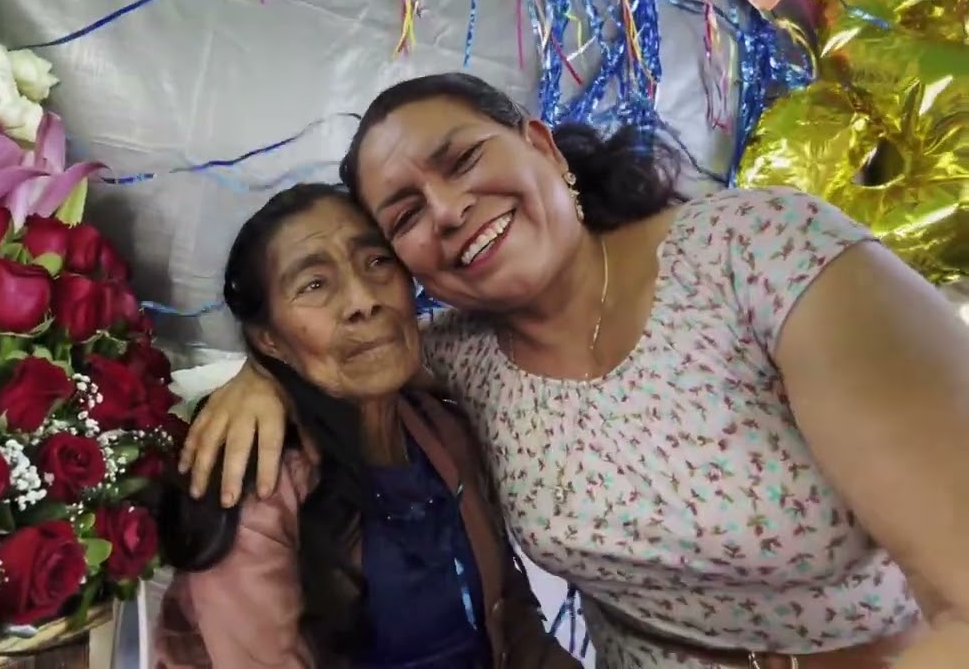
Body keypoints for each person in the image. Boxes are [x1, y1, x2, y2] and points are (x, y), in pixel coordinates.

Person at [177, 73, 969, 668]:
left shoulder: (757, 253)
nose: (448, 209)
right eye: (408, 215)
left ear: (543, 147)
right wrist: (264, 372)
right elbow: (350, 356)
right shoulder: (460, 357)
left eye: (461, 160)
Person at [152, 183, 580, 669]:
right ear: (268, 340)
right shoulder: (255, 489)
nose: (362, 300)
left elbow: (512, 616)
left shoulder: (443, 429)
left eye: (377, 262)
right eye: (314, 284)